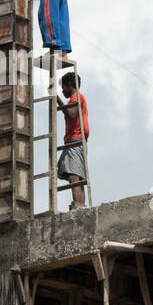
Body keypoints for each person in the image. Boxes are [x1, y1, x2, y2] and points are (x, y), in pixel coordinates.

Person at [57, 72, 89, 207]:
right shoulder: (78, 98)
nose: (62, 90)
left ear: (69, 85)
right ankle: (80, 206)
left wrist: (57, 99)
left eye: (63, 87)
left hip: (74, 141)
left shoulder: (76, 97)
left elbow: (71, 114)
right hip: (76, 141)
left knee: (73, 175)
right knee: (77, 175)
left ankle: (78, 206)